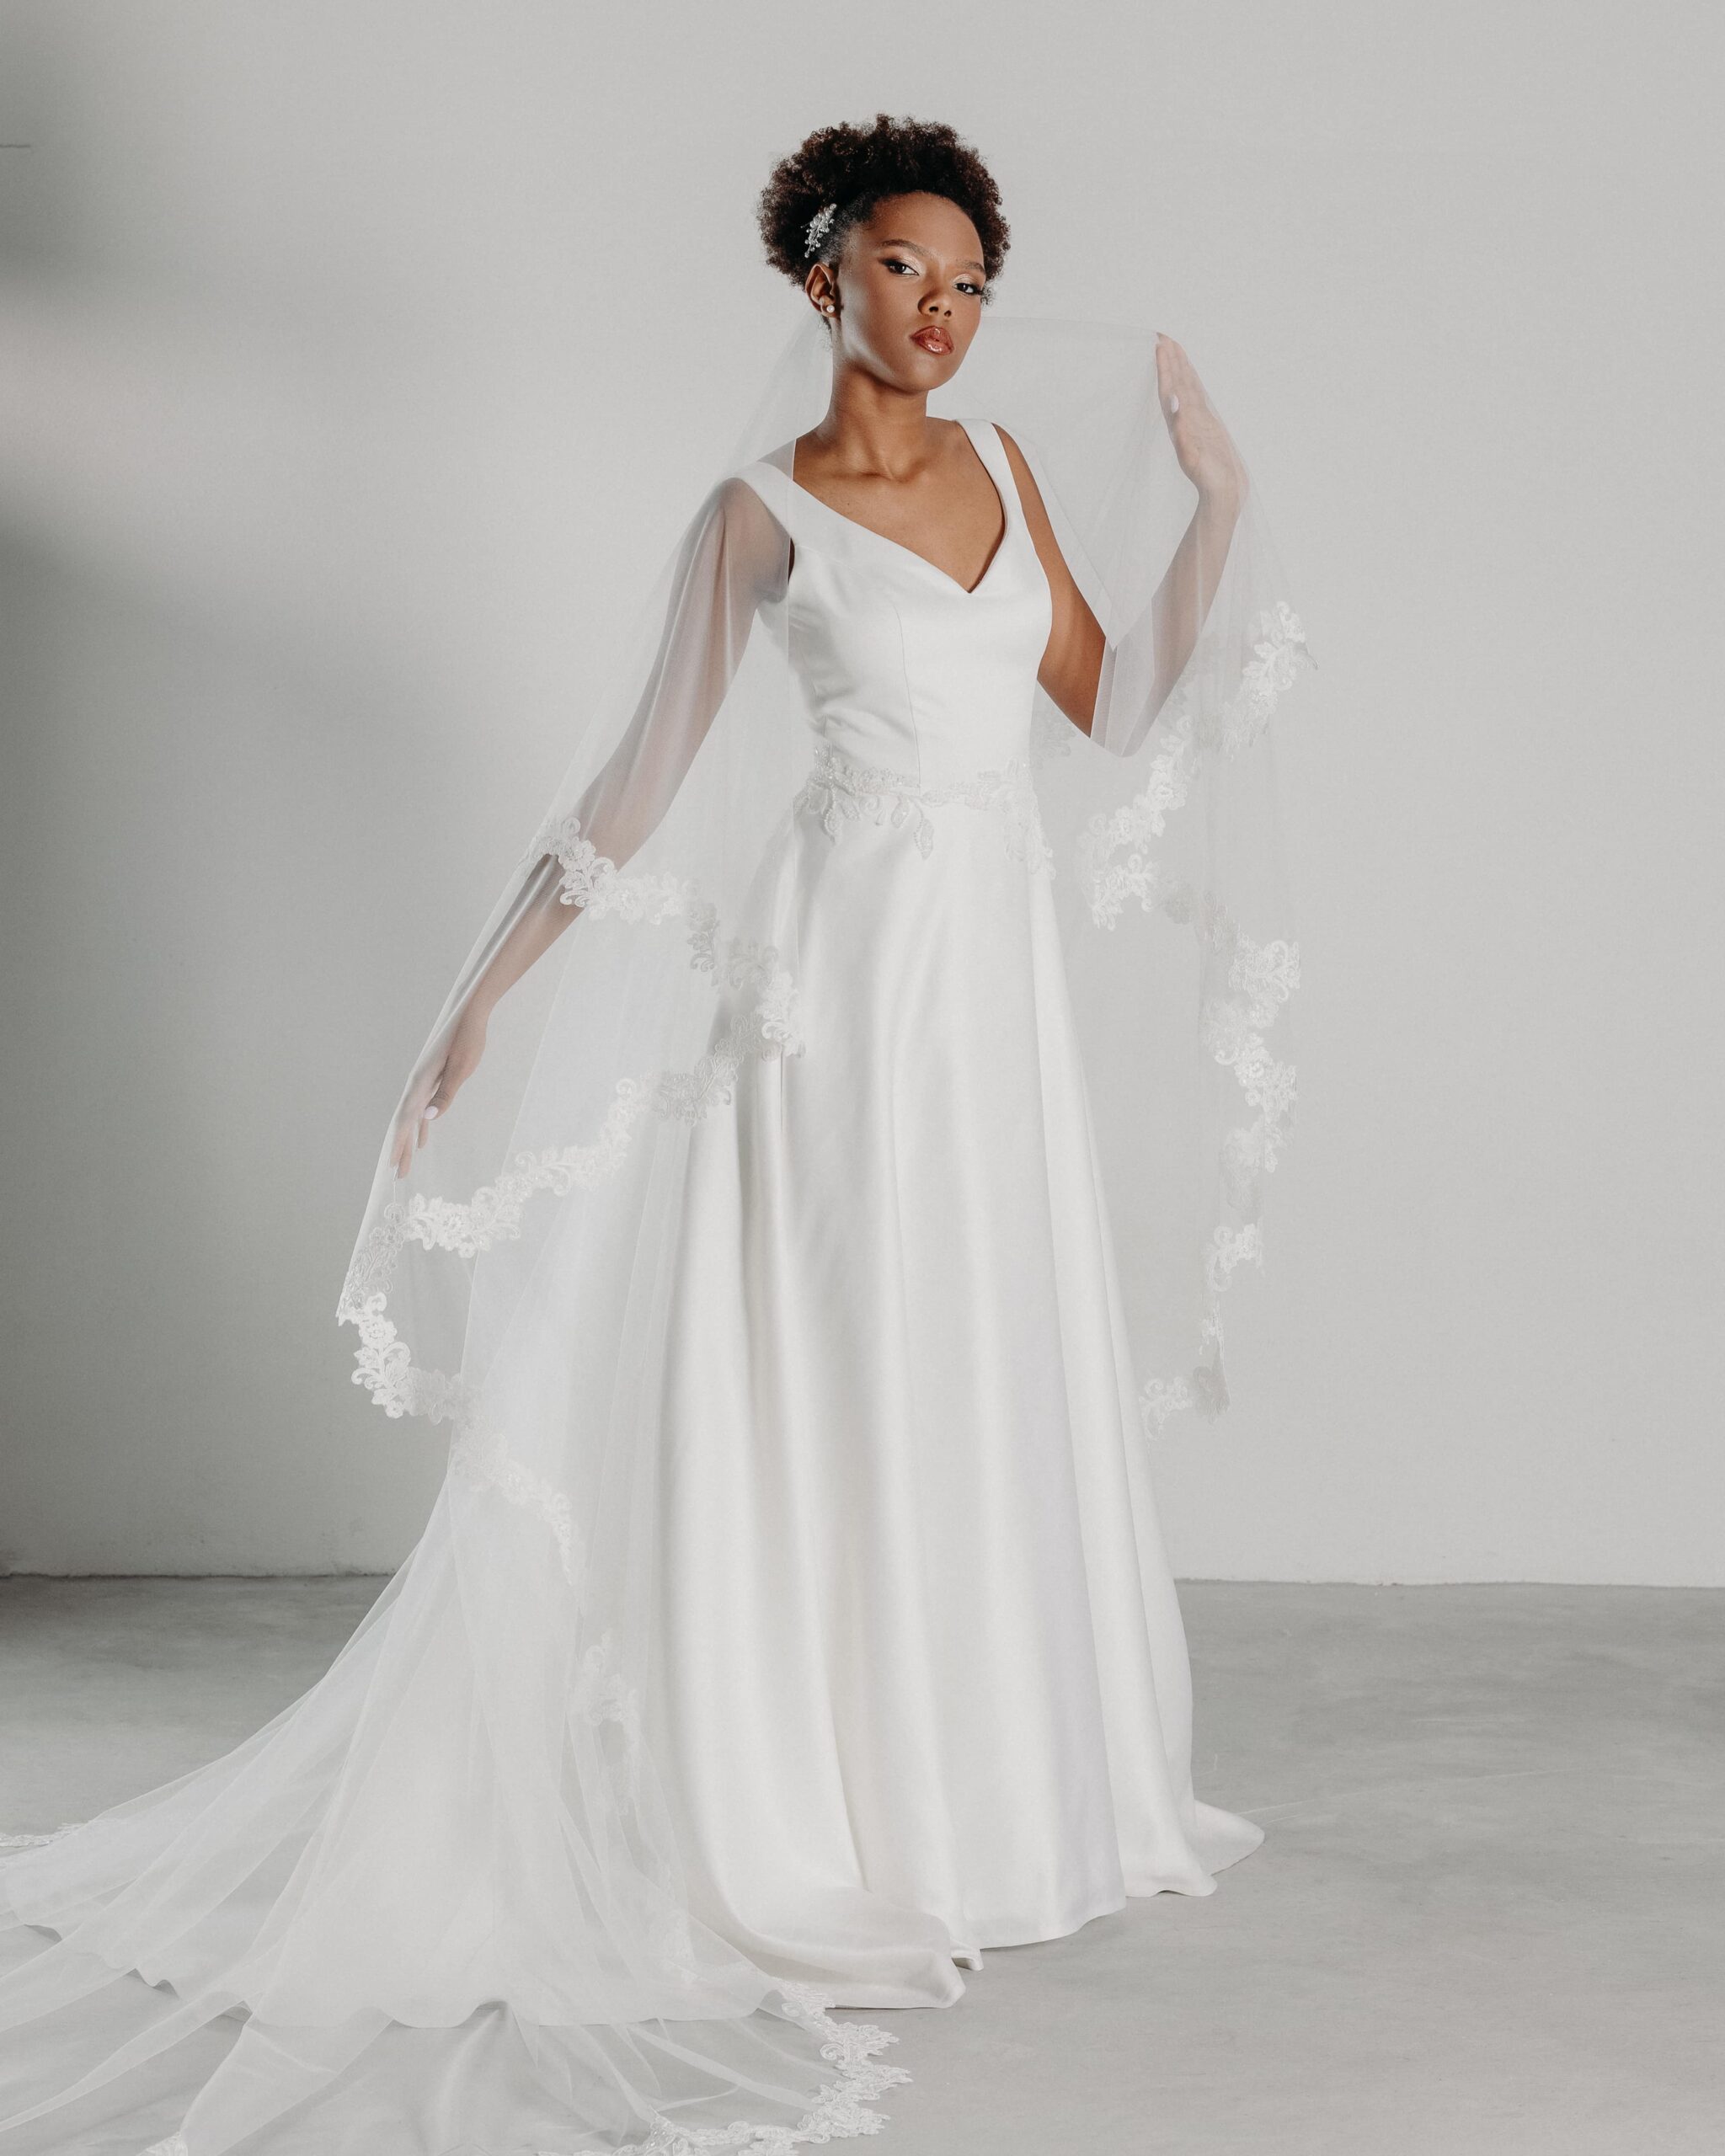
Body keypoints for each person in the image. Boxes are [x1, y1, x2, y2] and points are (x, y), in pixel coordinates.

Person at [0, 114, 1308, 2155]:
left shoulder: (1003, 467)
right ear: (821, 274)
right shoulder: (755, 511)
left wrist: (1216, 502)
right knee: (835, 1365)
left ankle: (984, 1797)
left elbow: (1113, 706)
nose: (942, 312)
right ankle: (810, 1810)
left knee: (975, 1355)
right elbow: (636, 775)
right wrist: (480, 992)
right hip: (829, 994)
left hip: (991, 1003)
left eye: (971, 283)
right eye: (905, 269)